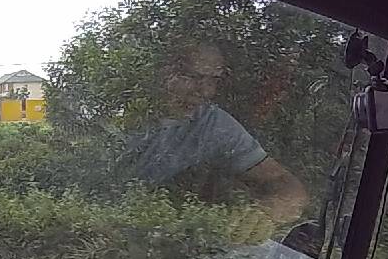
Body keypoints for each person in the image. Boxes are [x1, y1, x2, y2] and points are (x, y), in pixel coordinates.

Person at [118, 41, 309, 224]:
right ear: (160, 71)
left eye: (213, 80)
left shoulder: (210, 122)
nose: (205, 91)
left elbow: (286, 185)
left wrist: (263, 214)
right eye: (193, 77)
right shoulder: (112, 105)